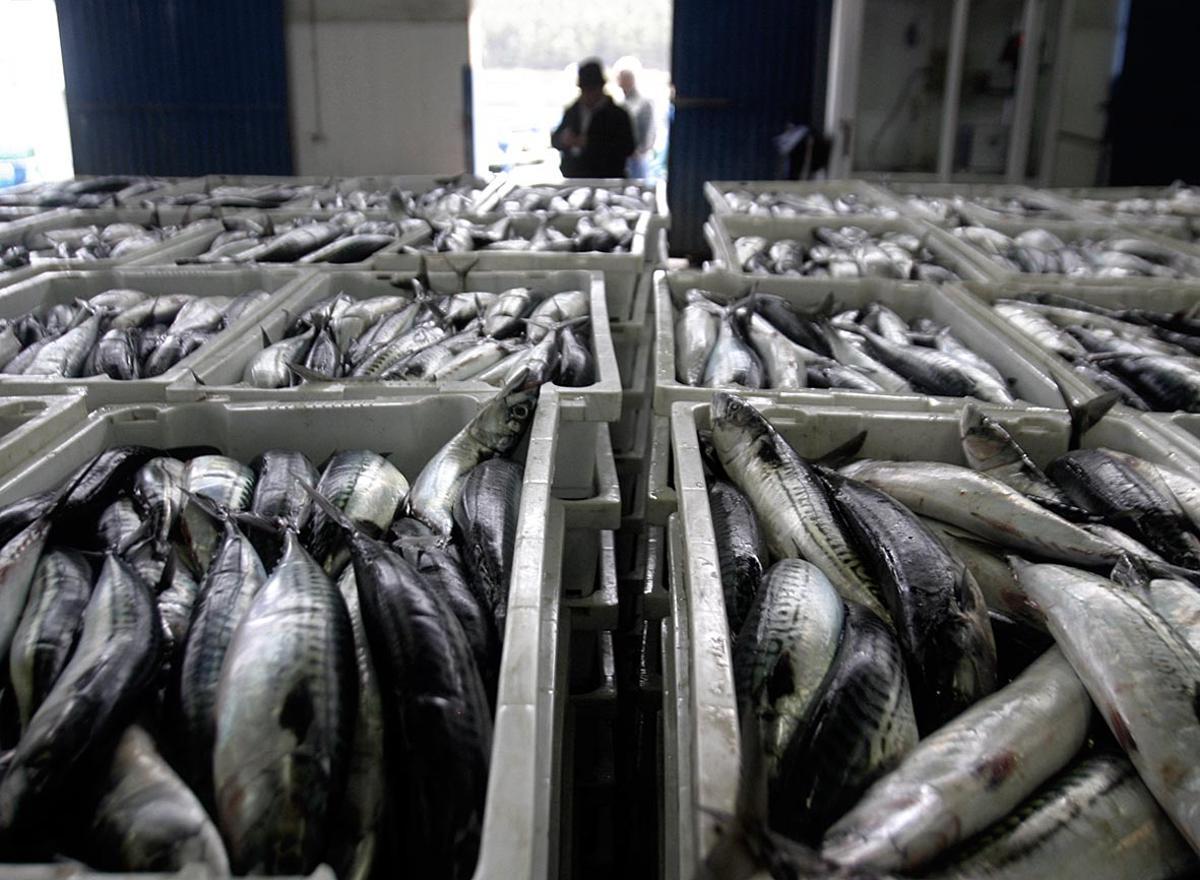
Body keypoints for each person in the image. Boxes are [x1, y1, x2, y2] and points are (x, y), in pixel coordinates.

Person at [551, 58, 635, 178]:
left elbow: (628, 147)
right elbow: (555, 140)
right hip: (574, 177)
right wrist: (564, 140)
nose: (588, 95)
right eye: (584, 90)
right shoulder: (573, 111)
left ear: (600, 88)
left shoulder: (618, 115)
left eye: (591, 90)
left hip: (607, 178)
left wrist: (591, 144)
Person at [616, 64, 655, 179]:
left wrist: (641, 150)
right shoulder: (621, 104)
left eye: (623, 79)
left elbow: (649, 129)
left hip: (638, 157)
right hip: (625, 156)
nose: (620, 83)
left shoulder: (643, 103)